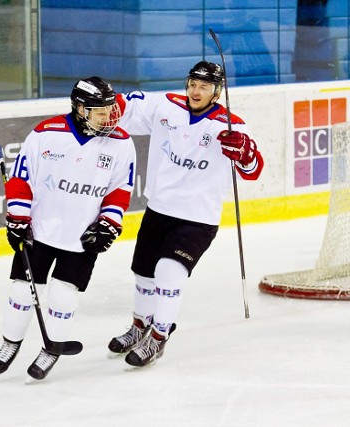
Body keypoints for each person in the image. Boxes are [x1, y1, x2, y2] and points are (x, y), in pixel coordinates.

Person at [107, 61, 264, 367]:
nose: (196, 91)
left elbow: (253, 170)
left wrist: (244, 152)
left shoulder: (231, 126)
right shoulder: (166, 105)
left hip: (197, 218)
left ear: (217, 92)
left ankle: (159, 335)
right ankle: (140, 327)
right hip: (159, 209)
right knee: (143, 272)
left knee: (169, 270)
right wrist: (109, 101)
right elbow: (127, 109)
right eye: (193, 83)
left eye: (204, 86)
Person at [0, 76, 136, 380]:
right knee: (21, 291)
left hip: (82, 236)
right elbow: (21, 179)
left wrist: (109, 224)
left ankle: (52, 347)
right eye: (100, 111)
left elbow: (120, 190)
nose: (109, 116)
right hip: (41, 231)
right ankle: (10, 343)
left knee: (63, 295)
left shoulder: (121, 142)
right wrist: (18, 217)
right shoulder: (46, 133)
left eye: (110, 109)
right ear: (81, 109)